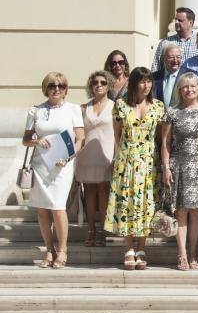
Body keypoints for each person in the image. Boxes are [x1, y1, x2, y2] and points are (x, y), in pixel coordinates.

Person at [23, 72, 85, 268]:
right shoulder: (35, 110)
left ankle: (63, 250)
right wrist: (36, 140)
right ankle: (49, 250)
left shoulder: (73, 109)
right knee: (42, 210)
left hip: (62, 166)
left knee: (58, 208)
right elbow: (25, 140)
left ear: (66, 89)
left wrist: (68, 158)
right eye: (52, 85)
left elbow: (80, 139)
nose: (56, 89)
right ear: (46, 88)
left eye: (60, 85)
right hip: (41, 164)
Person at [105, 67, 164, 270]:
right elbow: (117, 135)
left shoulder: (158, 106)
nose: (146, 85)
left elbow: (160, 139)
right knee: (127, 204)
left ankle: (141, 247)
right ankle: (128, 247)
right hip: (126, 161)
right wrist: (117, 158)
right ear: (134, 84)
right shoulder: (121, 106)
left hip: (149, 163)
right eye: (141, 81)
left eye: (149, 81)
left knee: (146, 205)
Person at [161, 72, 198, 270]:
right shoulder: (172, 112)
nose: (189, 90)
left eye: (193, 86)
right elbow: (165, 143)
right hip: (179, 166)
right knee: (180, 212)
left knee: (196, 213)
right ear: (179, 90)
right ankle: (181, 254)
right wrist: (166, 167)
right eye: (185, 87)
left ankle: (193, 253)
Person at [75, 70, 115, 248]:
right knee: (89, 192)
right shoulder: (83, 108)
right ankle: (90, 230)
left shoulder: (116, 106)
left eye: (103, 82)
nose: (99, 85)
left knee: (104, 192)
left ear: (109, 86)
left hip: (106, 155)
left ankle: (102, 230)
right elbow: (79, 135)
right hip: (86, 155)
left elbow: (118, 134)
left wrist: (117, 156)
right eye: (95, 82)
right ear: (90, 86)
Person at [152, 7, 198, 72]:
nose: (176, 22)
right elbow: (156, 66)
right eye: (176, 20)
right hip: (170, 81)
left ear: (190, 23)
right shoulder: (165, 42)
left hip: (192, 80)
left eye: (180, 20)